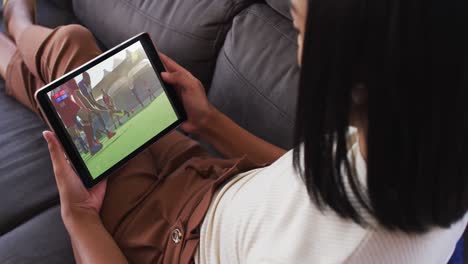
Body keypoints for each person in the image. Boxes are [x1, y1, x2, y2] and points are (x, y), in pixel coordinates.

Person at [1, 0, 466, 263]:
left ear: (354, 73)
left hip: (168, 240)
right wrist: (209, 122)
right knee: (80, 79)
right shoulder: (423, 141)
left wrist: (79, 217)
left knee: (71, 50)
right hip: (213, 181)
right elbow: (304, 179)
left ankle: (15, 26)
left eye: (299, 30)